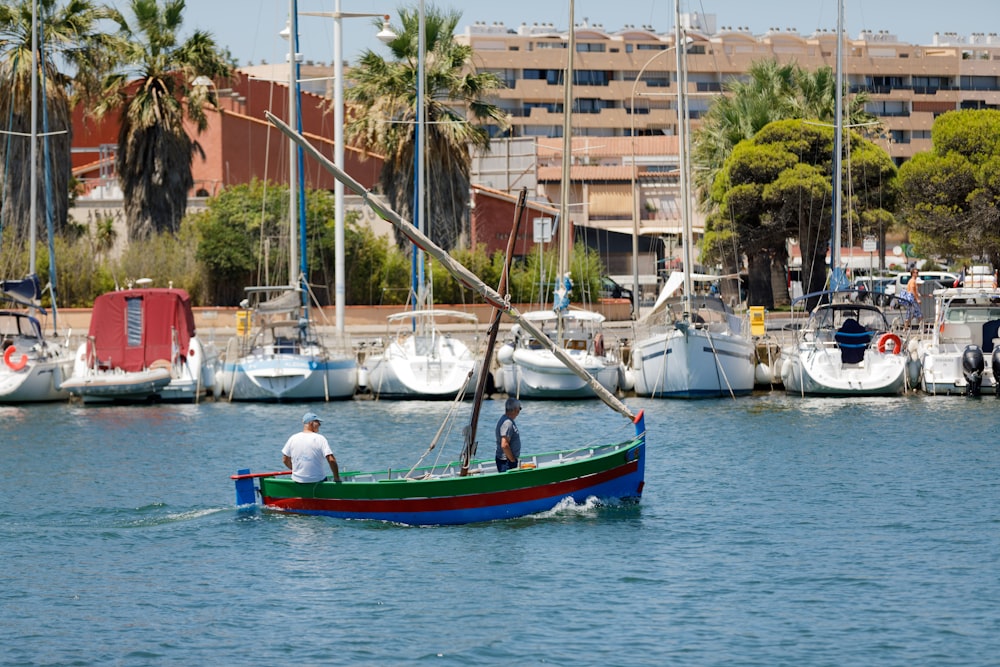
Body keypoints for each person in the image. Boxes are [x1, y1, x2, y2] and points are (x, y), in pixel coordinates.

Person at [282, 412, 341, 483]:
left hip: (297, 481)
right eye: (317, 422)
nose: (320, 424)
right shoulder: (320, 438)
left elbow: (285, 460)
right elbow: (331, 460)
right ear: (310, 423)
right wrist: (336, 477)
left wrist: (296, 470)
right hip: (317, 481)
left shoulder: (293, 438)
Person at [495, 397, 522, 473]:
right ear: (515, 410)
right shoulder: (507, 423)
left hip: (506, 460)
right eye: (519, 408)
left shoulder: (505, 419)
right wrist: (512, 460)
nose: (519, 411)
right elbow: (504, 445)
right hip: (507, 461)